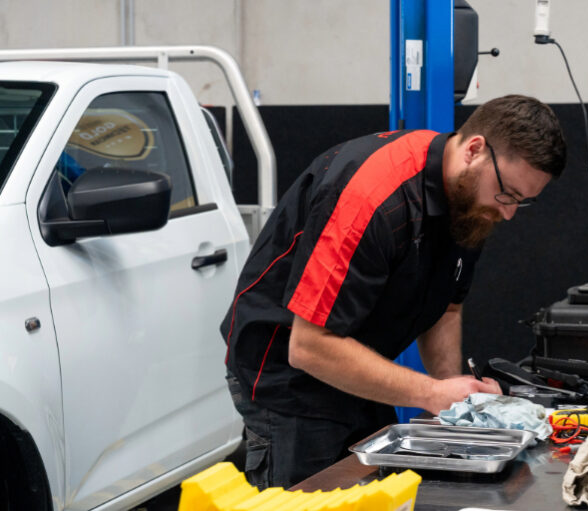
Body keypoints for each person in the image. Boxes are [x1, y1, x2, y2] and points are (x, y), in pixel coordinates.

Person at [220, 94, 567, 488]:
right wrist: (432, 392)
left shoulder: (472, 201)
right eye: (507, 195)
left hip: (357, 363)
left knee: (379, 493)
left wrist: (458, 404)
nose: (507, 213)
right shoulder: (370, 198)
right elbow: (309, 346)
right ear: (474, 150)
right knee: (310, 498)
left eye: (522, 202)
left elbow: (447, 309)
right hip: (289, 381)